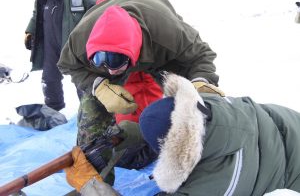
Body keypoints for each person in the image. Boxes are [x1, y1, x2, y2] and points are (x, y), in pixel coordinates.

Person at [57, 0, 224, 181]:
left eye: (115, 61)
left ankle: (203, 167)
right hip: (117, 34)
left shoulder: (168, 34)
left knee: (193, 106)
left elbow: (202, 55)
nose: (110, 69)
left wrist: (200, 82)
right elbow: (67, 65)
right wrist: (99, 86)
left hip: (157, 50)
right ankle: (95, 184)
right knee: (92, 113)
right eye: (99, 59)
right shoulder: (81, 39)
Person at [64, 73, 300, 195]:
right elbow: (179, 122)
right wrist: (143, 132)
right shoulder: (210, 105)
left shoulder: (214, 183)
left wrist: (90, 186)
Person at [24, 0, 97, 111]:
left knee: (82, 79)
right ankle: (53, 110)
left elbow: (95, 10)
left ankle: (90, 112)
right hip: (50, 45)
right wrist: (30, 31)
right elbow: (36, 14)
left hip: (74, 45)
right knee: (49, 78)